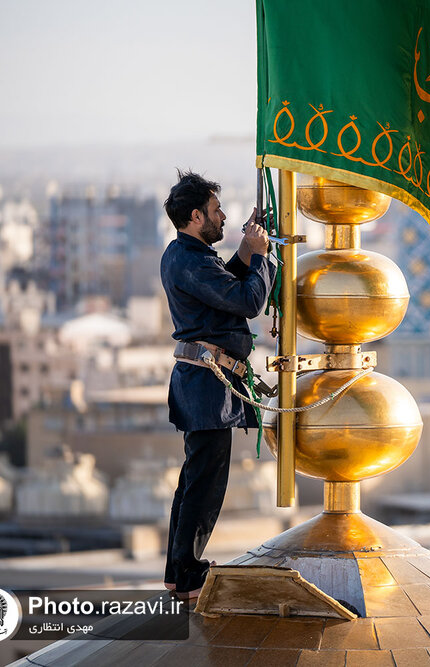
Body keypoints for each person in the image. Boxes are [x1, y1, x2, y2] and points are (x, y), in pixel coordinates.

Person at [159, 170, 273, 599]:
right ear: (195, 216)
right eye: (214, 210)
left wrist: (247, 248)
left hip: (204, 384)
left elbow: (223, 285)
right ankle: (188, 575)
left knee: (195, 479)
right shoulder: (190, 260)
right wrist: (262, 258)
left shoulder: (187, 255)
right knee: (204, 483)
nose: (222, 217)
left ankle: (178, 570)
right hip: (208, 387)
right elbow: (246, 300)